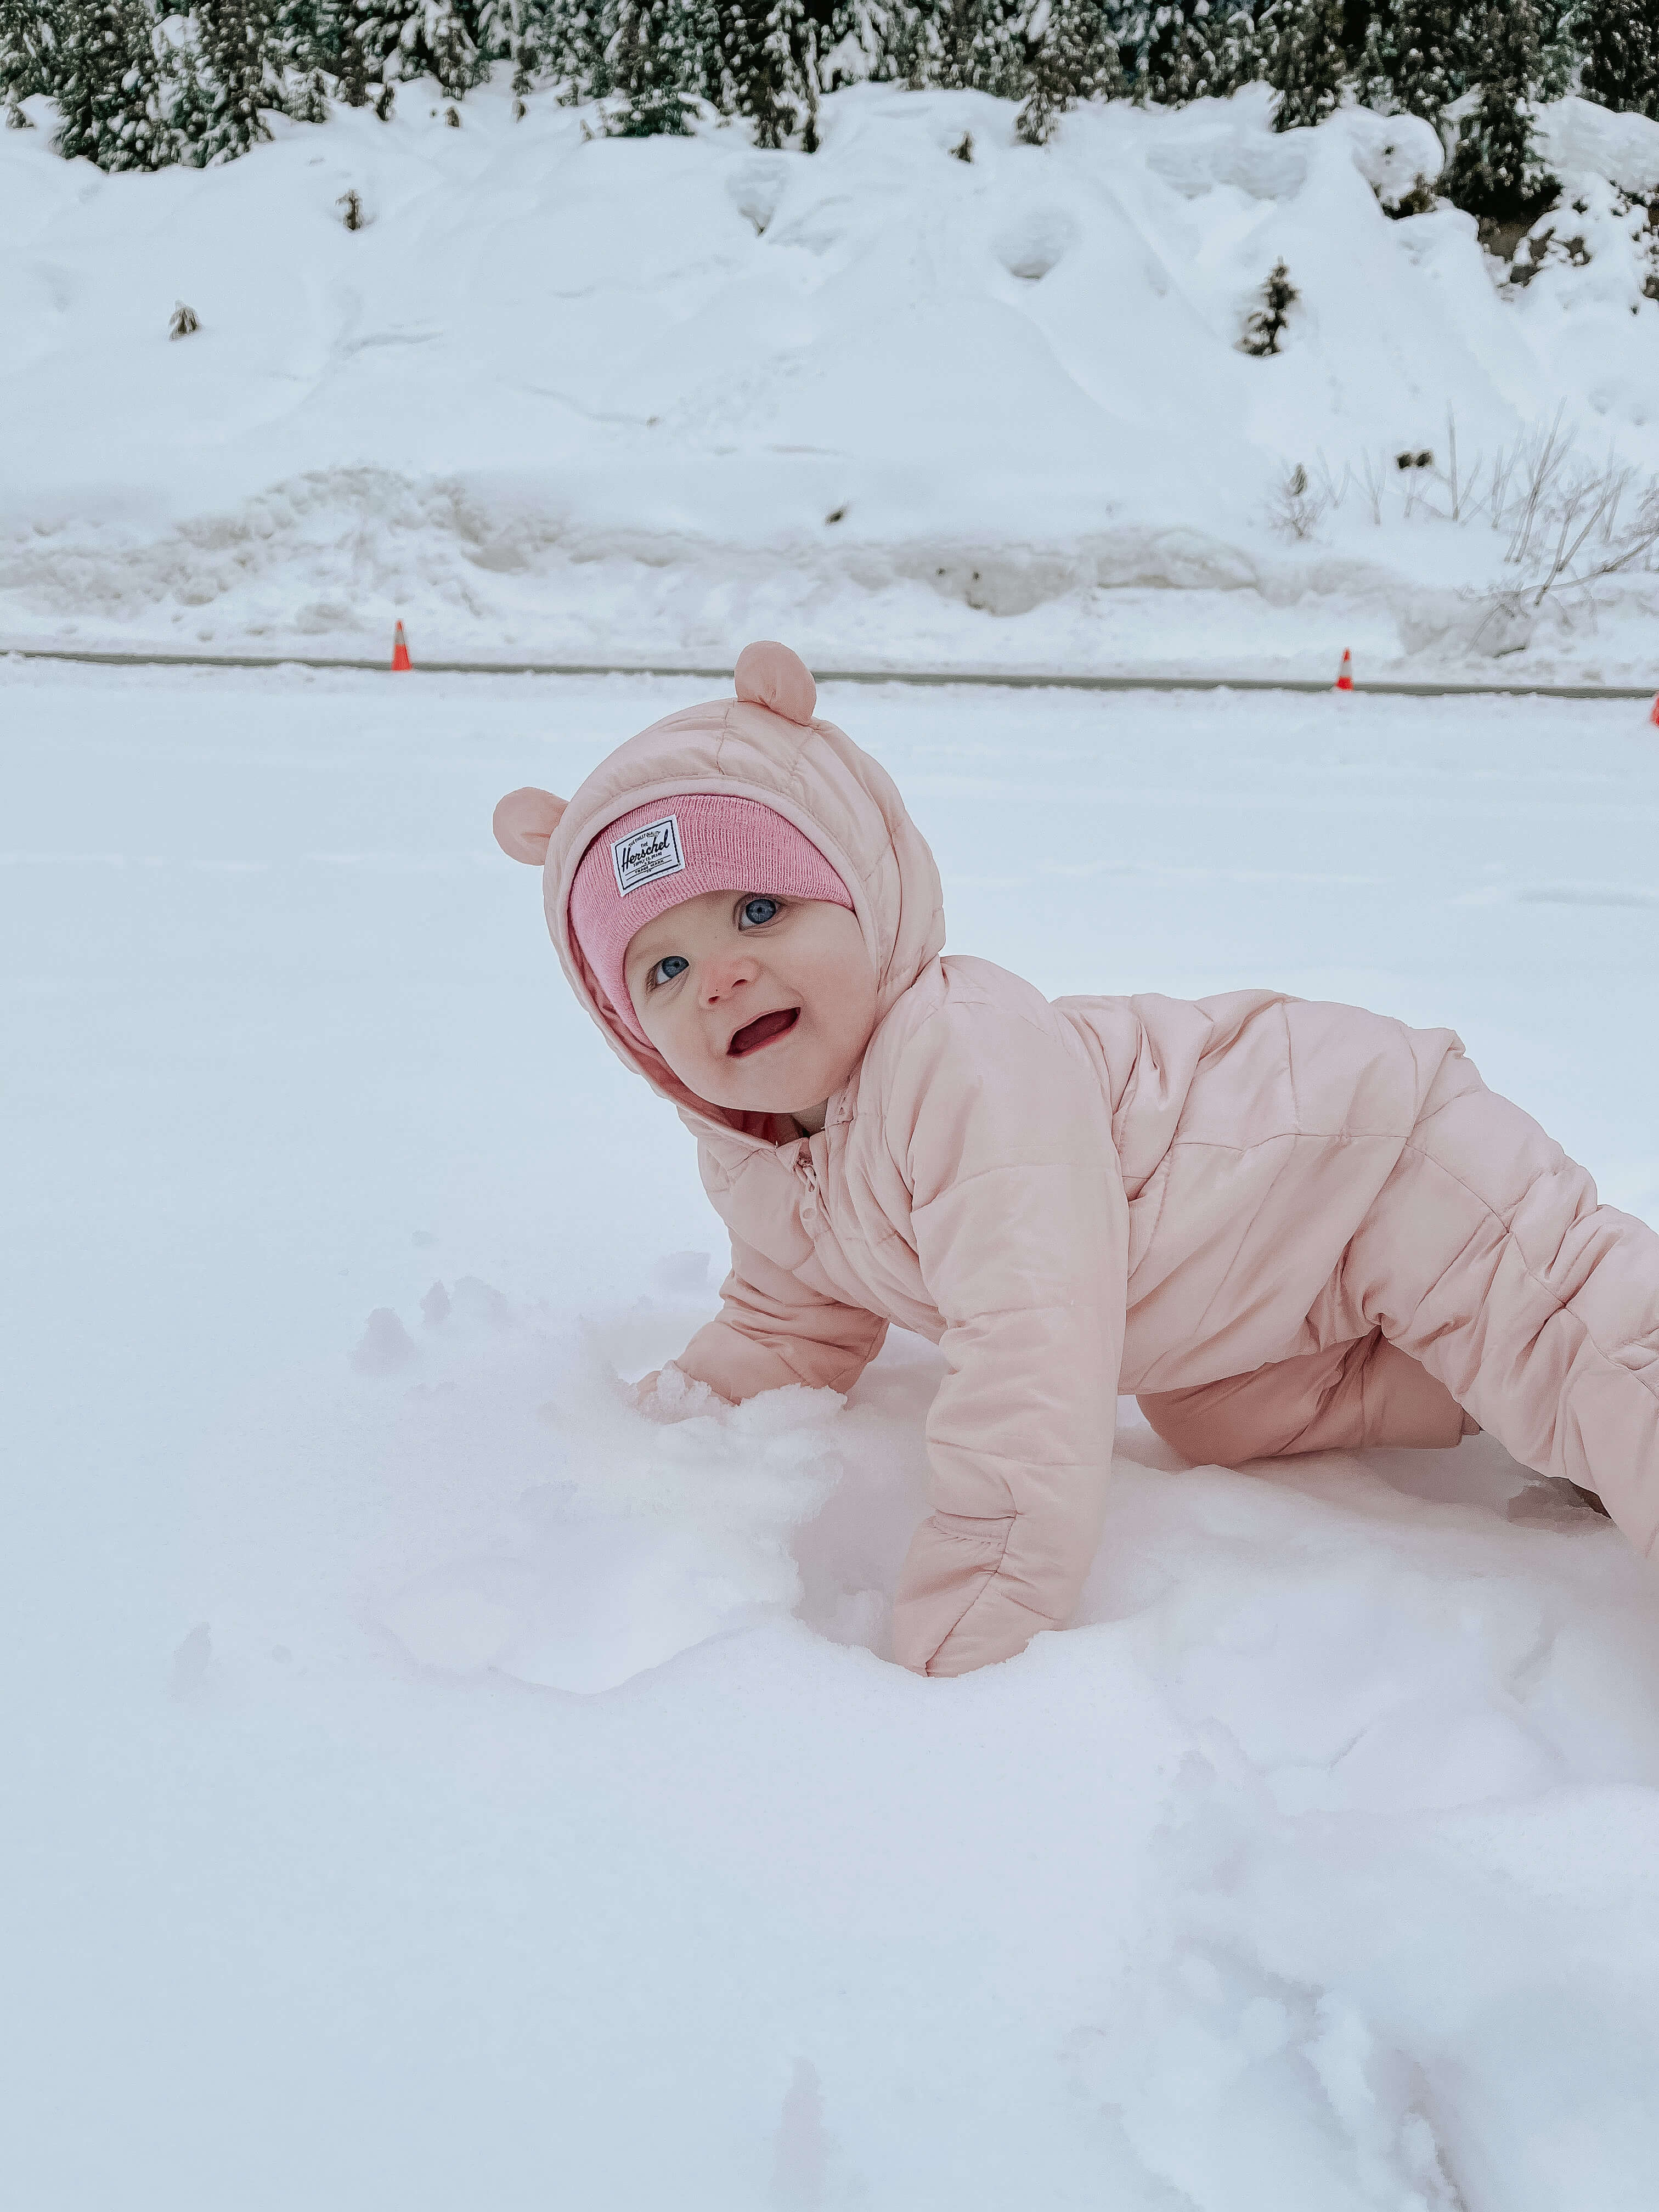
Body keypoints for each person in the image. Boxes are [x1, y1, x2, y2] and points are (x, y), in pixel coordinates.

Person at [493, 642, 1659, 1677]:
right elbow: (793, 1322)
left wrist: (983, 1601)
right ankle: (1502, 1392)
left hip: (1365, 1161)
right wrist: (683, 1412)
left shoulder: (958, 1054)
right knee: (1215, 1418)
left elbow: (1032, 1345)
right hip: (1244, 1303)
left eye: (759, 912)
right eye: (665, 971)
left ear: (866, 895)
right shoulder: (752, 1155)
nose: (723, 976)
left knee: (1592, 1353)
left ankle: (1575, 1394)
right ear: (635, 1037)